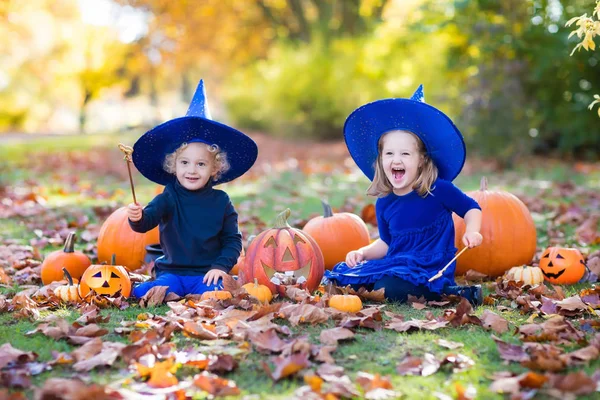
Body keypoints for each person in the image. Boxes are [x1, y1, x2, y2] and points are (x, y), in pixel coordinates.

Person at [324, 85, 484, 305]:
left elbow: (471, 208)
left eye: (405, 154)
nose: (396, 160)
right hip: (397, 263)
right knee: (347, 276)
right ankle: (386, 283)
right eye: (389, 153)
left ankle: (451, 291)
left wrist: (473, 231)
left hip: (429, 266)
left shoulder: (438, 189)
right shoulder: (385, 202)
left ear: (421, 160)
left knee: (389, 287)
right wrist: (363, 253)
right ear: (380, 160)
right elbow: (388, 243)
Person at [127, 79, 258, 298]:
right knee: (155, 291)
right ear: (173, 164)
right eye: (184, 162)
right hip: (173, 272)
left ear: (215, 168)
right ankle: (134, 290)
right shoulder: (169, 195)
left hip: (208, 274)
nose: (192, 170)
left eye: (201, 164)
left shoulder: (221, 201)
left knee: (219, 295)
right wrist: (137, 218)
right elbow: (147, 220)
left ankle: (210, 290)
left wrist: (220, 267)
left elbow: (232, 240)